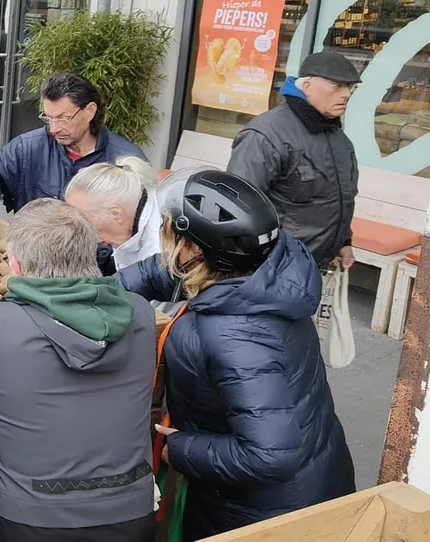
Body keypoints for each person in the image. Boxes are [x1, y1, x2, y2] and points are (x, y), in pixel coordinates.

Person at [119, 168, 355, 539]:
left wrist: (179, 449)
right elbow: (169, 272)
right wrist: (102, 289)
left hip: (268, 517)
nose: (165, 242)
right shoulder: (264, 269)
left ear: (194, 249)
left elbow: (271, 454)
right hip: (310, 480)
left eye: (171, 233)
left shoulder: (234, 335)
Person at [0, 199, 156, 541]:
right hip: (129, 516)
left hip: (20, 523)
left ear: (17, 265)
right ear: (91, 254)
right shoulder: (140, 315)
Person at [0, 72, 146, 269]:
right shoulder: (29, 148)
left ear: (90, 111)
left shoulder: (125, 162)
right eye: (48, 118)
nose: (53, 128)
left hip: (96, 275)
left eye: (63, 118)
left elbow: (141, 238)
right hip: (30, 265)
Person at [227, 51, 361, 269]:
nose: (346, 94)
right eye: (338, 86)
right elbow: (238, 208)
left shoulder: (337, 137)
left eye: (350, 87)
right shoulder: (266, 134)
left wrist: (343, 241)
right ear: (307, 87)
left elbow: (340, 196)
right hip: (274, 267)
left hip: (314, 266)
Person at [64, 156, 161, 273]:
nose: (84, 233)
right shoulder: (128, 227)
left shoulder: (160, 255)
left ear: (116, 214)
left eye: (86, 223)